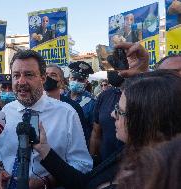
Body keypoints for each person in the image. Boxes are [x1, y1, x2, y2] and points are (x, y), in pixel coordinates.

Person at [33, 70, 181, 189]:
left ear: (145, 118)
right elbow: (83, 183)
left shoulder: (158, 176)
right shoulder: (128, 152)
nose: (112, 114)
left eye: (120, 111)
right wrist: (44, 150)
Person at [0, 50, 92, 189]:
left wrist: (46, 182)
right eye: (16, 75)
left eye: (28, 75)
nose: (21, 81)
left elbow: (82, 165)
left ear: (43, 78)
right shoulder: (5, 112)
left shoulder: (67, 114)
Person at [44, 64, 88, 144]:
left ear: (61, 82)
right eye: (46, 74)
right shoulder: (33, 104)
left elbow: (80, 140)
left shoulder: (73, 107)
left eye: (53, 75)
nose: (48, 77)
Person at [65, 61, 95, 145]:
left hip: (81, 146)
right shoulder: (61, 98)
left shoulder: (91, 102)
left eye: (80, 80)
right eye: (74, 79)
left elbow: (95, 130)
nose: (76, 82)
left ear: (86, 82)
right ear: (69, 79)